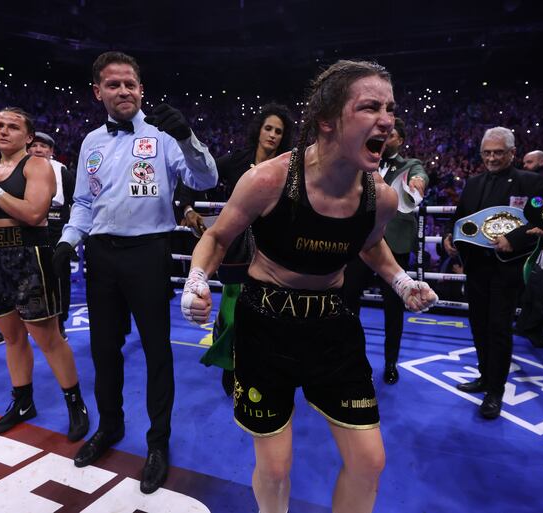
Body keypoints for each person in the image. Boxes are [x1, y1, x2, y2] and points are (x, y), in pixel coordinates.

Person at [181, 60, 437, 513]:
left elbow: (372, 246)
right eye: (370, 107)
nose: (387, 119)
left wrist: (399, 280)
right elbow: (217, 236)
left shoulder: (381, 196)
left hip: (331, 327)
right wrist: (197, 280)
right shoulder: (269, 179)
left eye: (390, 108)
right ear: (327, 121)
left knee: (369, 460)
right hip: (265, 324)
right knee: (276, 467)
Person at [55, 51, 217, 493]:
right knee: (104, 351)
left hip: (149, 252)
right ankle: (109, 428)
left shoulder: (165, 135)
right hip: (101, 257)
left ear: (141, 89)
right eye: (113, 84)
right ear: (98, 92)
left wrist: (187, 138)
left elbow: (205, 180)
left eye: (130, 83)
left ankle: (158, 443)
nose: (123, 90)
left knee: (156, 353)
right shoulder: (90, 142)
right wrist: (67, 242)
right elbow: (84, 204)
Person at [0, 107, 89, 442]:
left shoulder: (37, 165)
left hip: (28, 253)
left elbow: (33, 213)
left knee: (47, 337)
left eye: (13, 127)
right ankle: (22, 403)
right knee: (12, 337)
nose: (3, 131)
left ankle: (76, 405)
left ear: (28, 136)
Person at [178, 103, 294, 396]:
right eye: (268, 128)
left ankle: (257, 368)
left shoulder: (289, 165)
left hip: (273, 249)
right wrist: (189, 208)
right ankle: (230, 365)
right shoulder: (236, 160)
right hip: (238, 247)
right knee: (232, 314)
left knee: (267, 316)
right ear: (259, 130)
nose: (272, 135)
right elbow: (198, 176)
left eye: (278, 131)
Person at [443, 127, 542, 419]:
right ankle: (485, 376)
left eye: (498, 152)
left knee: (498, 328)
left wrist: (516, 239)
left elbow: (541, 221)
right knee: (478, 324)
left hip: (507, 268)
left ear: (512, 153)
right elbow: (460, 218)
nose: (492, 158)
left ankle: (495, 391)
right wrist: (450, 237)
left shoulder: (530, 183)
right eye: (487, 152)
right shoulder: (473, 183)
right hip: (476, 266)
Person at [343, 116, 428, 385]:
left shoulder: (409, 164)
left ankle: (391, 362)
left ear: (399, 140)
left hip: (395, 247)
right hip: (360, 244)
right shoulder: (362, 161)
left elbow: (419, 175)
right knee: (348, 302)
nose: (383, 137)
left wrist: (417, 185)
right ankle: (351, 359)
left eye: (390, 134)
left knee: (394, 309)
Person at [0, 131, 75, 346]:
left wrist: (71, 235)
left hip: (54, 232)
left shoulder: (62, 171)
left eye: (44, 146)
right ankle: (12, 328)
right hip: (20, 232)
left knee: (58, 280)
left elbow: (75, 202)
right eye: (35, 145)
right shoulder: (15, 170)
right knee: (13, 283)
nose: (38, 149)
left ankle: (59, 323)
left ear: (51, 151)